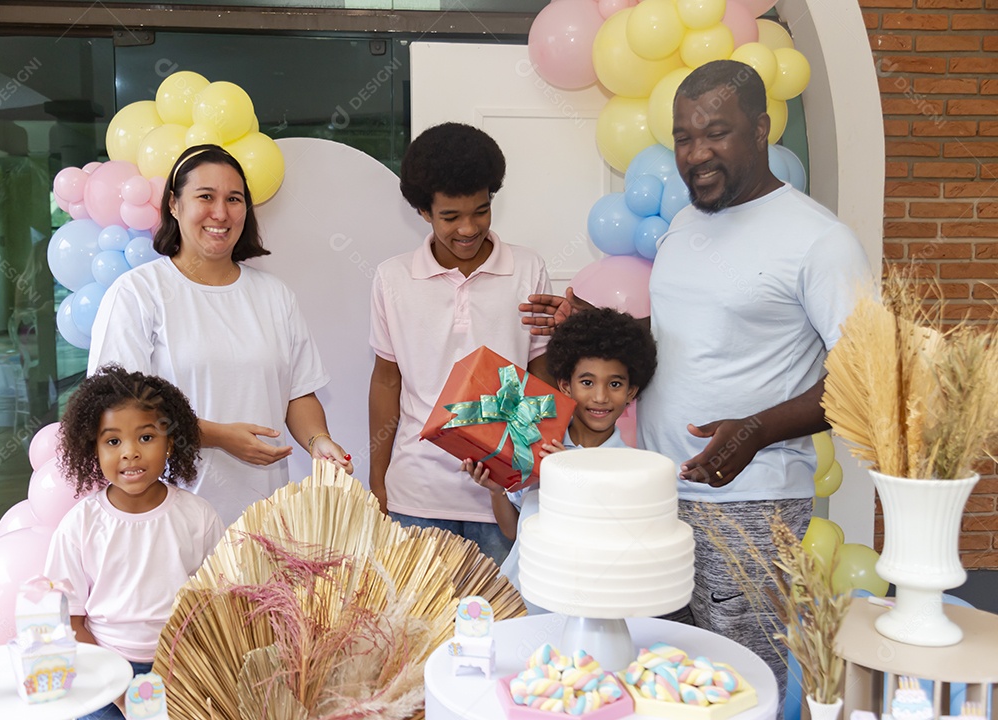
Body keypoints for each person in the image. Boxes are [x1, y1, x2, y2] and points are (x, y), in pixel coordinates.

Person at [520, 60, 872, 701]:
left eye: (716, 133)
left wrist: (756, 430)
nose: (696, 153)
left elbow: (866, 376)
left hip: (749, 506)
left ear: (761, 129)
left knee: (738, 687)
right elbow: (680, 332)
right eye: (684, 137)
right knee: (659, 678)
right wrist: (593, 327)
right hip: (657, 497)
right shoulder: (686, 224)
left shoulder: (820, 241)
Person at [89, 144, 352, 526]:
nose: (221, 212)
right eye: (205, 197)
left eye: (234, 199)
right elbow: (119, 410)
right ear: (174, 204)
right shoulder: (138, 293)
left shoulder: (274, 295)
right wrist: (218, 436)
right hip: (170, 519)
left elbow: (299, 392)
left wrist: (318, 441)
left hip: (265, 517)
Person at [368, 122, 554, 565]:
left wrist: (530, 473)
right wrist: (378, 478)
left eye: (481, 211)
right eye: (450, 217)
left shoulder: (528, 269)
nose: (468, 228)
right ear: (423, 212)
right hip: (418, 493)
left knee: (507, 609)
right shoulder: (392, 278)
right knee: (415, 613)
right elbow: (386, 382)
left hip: (505, 496)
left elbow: (542, 376)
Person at [45, 365, 224, 720]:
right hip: (101, 668)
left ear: (170, 442)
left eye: (145, 437)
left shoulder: (199, 516)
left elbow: (219, 605)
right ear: (94, 449)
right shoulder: (80, 525)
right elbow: (68, 622)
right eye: (113, 441)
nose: (130, 452)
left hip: (182, 670)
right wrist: (120, 692)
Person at [465, 308, 656, 610]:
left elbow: (621, 550)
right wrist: (497, 489)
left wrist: (574, 480)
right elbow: (514, 532)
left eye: (615, 384)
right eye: (587, 382)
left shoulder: (632, 469)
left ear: (632, 391)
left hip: (581, 614)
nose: (601, 397)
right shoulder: (536, 444)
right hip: (515, 605)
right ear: (566, 386)